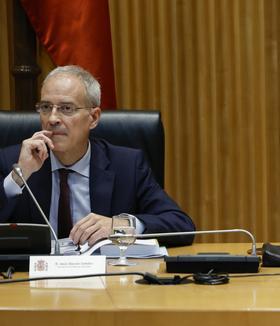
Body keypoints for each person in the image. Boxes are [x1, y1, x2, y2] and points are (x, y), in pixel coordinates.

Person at [0, 65, 195, 246]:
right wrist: (20, 176)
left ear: (93, 118)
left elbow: (181, 225)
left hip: (105, 278)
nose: (52, 119)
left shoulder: (127, 165)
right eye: (45, 107)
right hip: (31, 279)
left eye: (66, 108)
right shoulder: (13, 162)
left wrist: (120, 226)